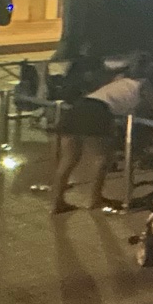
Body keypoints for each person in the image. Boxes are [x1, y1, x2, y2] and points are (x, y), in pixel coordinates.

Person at [50, 64, 144, 213]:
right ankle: (95, 198)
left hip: (78, 108)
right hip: (97, 112)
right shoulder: (142, 86)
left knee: (68, 159)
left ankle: (57, 201)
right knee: (103, 158)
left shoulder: (117, 83)